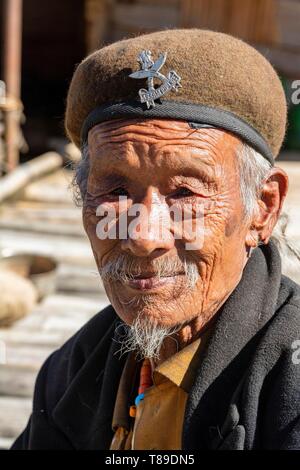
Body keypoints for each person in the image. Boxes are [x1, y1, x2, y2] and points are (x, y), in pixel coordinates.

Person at [12, 29, 300, 450]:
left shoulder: (289, 391)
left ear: (263, 207)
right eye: (115, 192)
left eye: (186, 192)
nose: (143, 237)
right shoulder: (74, 369)